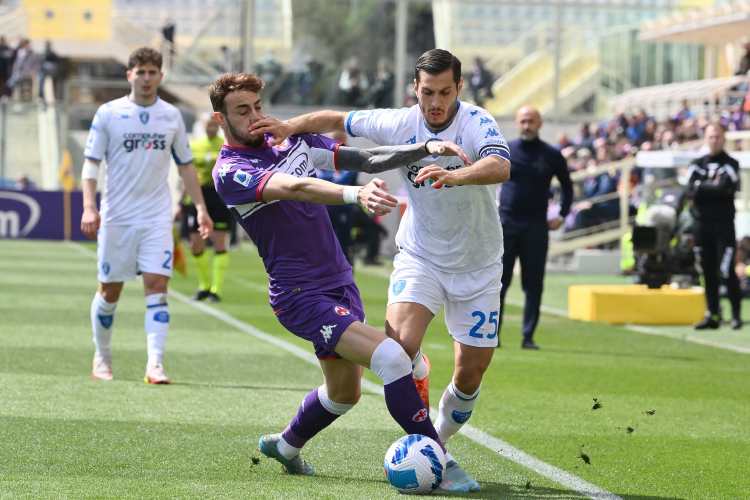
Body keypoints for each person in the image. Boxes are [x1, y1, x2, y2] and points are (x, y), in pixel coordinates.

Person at [250, 48, 511, 492]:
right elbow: (337, 119)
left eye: (445, 92)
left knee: (470, 376)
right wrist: (290, 126)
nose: (436, 102)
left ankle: (436, 440)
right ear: (415, 88)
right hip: (421, 255)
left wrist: (457, 175)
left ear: (459, 89)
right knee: (398, 352)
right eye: (427, 92)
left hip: (478, 265)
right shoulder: (400, 121)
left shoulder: (477, 122)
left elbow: (500, 165)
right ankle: (437, 457)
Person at [207, 72, 467, 483]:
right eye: (243, 110)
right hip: (299, 294)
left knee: (345, 393)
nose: (255, 115)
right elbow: (293, 187)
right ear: (221, 119)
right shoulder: (230, 170)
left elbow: (365, 159)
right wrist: (354, 194)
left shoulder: (290, 139)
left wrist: (423, 147)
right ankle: (442, 462)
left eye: (258, 106)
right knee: (393, 358)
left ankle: (286, 445)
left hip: (339, 281)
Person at [80, 47, 213, 384]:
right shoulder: (108, 113)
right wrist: (88, 206)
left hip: (156, 217)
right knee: (110, 291)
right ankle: (102, 357)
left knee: (157, 287)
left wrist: (200, 208)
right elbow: (91, 164)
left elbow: (185, 166)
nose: (146, 78)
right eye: (140, 72)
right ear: (130, 75)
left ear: (161, 77)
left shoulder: (171, 117)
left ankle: (155, 364)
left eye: (153, 72)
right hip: (117, 217)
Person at [498, 106, 573, 350]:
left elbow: (567, 186)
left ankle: (528, 336)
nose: (527, 125)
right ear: (517, 123)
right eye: (523, 121)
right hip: (506, 224)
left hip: (536, 227)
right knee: (498, 282)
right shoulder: (506, 150)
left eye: (531, 121)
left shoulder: (551, 154)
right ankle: (491, 335)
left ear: (539, 123)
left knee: (533, 284)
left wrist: (562, 213)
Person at [687, 123, 743, 330]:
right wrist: (711, 187)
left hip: (723, 227)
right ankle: (713, 314)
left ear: (724, 138)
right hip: (701, 226)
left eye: (718, 136)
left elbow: (725, 188)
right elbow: (690, 190)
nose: (714, 140)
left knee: (726, 270)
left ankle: (736, 315)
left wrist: (703, 186)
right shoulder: (696, 163)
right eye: (711, 136)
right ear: (705, 138)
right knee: (707, 271)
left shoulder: (731, 163)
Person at [182, 116, 231, 302]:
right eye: (207, 124)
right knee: (196, 243)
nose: (210, 127)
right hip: (197, 196)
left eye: (213, 124)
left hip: (218, 196)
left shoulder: (224, 145)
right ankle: (204, 285)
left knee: (219, 242)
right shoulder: (194, 145)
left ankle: (216, 290)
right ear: (203, 126)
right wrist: (182, 201)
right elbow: (187, 175)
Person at [316, 130, 358, 266]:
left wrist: (329, 179)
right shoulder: (324, 156)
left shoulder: (352, 157)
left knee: (343, 246)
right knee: (323, 245)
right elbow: (317, 177)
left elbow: (343, 179)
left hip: (344, 209)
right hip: (325, 208)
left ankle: (346, 274)